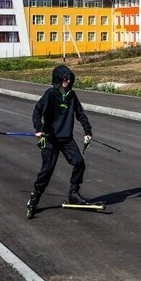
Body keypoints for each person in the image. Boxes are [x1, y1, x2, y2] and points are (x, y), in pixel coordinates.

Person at [26, 64, 94, 218]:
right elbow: (37, 111)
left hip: (66, 139)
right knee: (46, 171)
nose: (67, 80)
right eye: (64, 78)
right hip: (50, 139)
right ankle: (34, 197)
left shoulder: (72, 96)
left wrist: (87, 132)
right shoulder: (50, 94)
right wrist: (39, 128)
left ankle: (74, 193)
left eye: (69, 78)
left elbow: (81, 115)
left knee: (79, 163)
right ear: (58, 79)